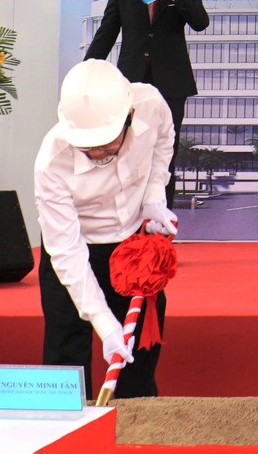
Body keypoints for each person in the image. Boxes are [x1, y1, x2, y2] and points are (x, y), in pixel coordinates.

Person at [35, 59, 181, 398]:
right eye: (87, 146)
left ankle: (136, 429)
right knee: (65, 352)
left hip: (132, 245)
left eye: (105, 142)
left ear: (128, 117)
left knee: (138, 358)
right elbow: (67, 253)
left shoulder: (150, 105)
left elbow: (164, 143)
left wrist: (153, 196)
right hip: (76, 245)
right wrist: (103, 323)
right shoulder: (50, 162)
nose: (96, 152)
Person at [84, 0, 209, 206]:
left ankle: (160, 225)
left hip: (171, 86)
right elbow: (105, 36)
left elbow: (200, 23)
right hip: (131, 84)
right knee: (126, 150)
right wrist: (87, 72)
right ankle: (127, 219)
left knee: (165, 153)